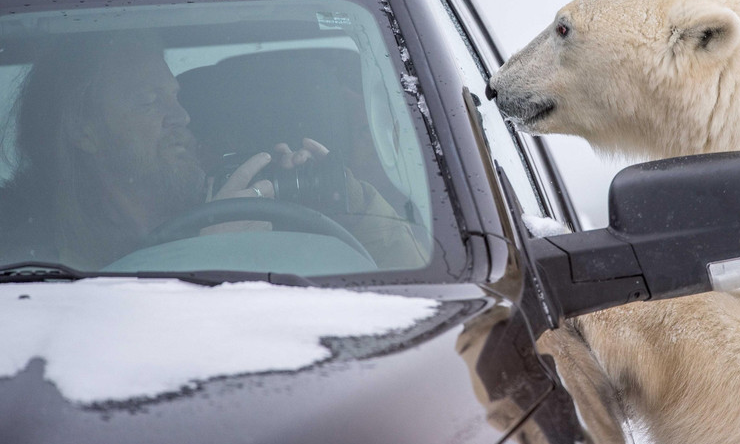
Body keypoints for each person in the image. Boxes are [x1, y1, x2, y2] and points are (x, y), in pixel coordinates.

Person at [0, 31, 428, 270]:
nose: (181, 117)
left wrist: (348, 202)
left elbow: (419, 293)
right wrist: (208, 254)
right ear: (84, 129)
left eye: (175, 96)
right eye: (149, 101)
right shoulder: (28, 257)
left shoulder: (242, 208)